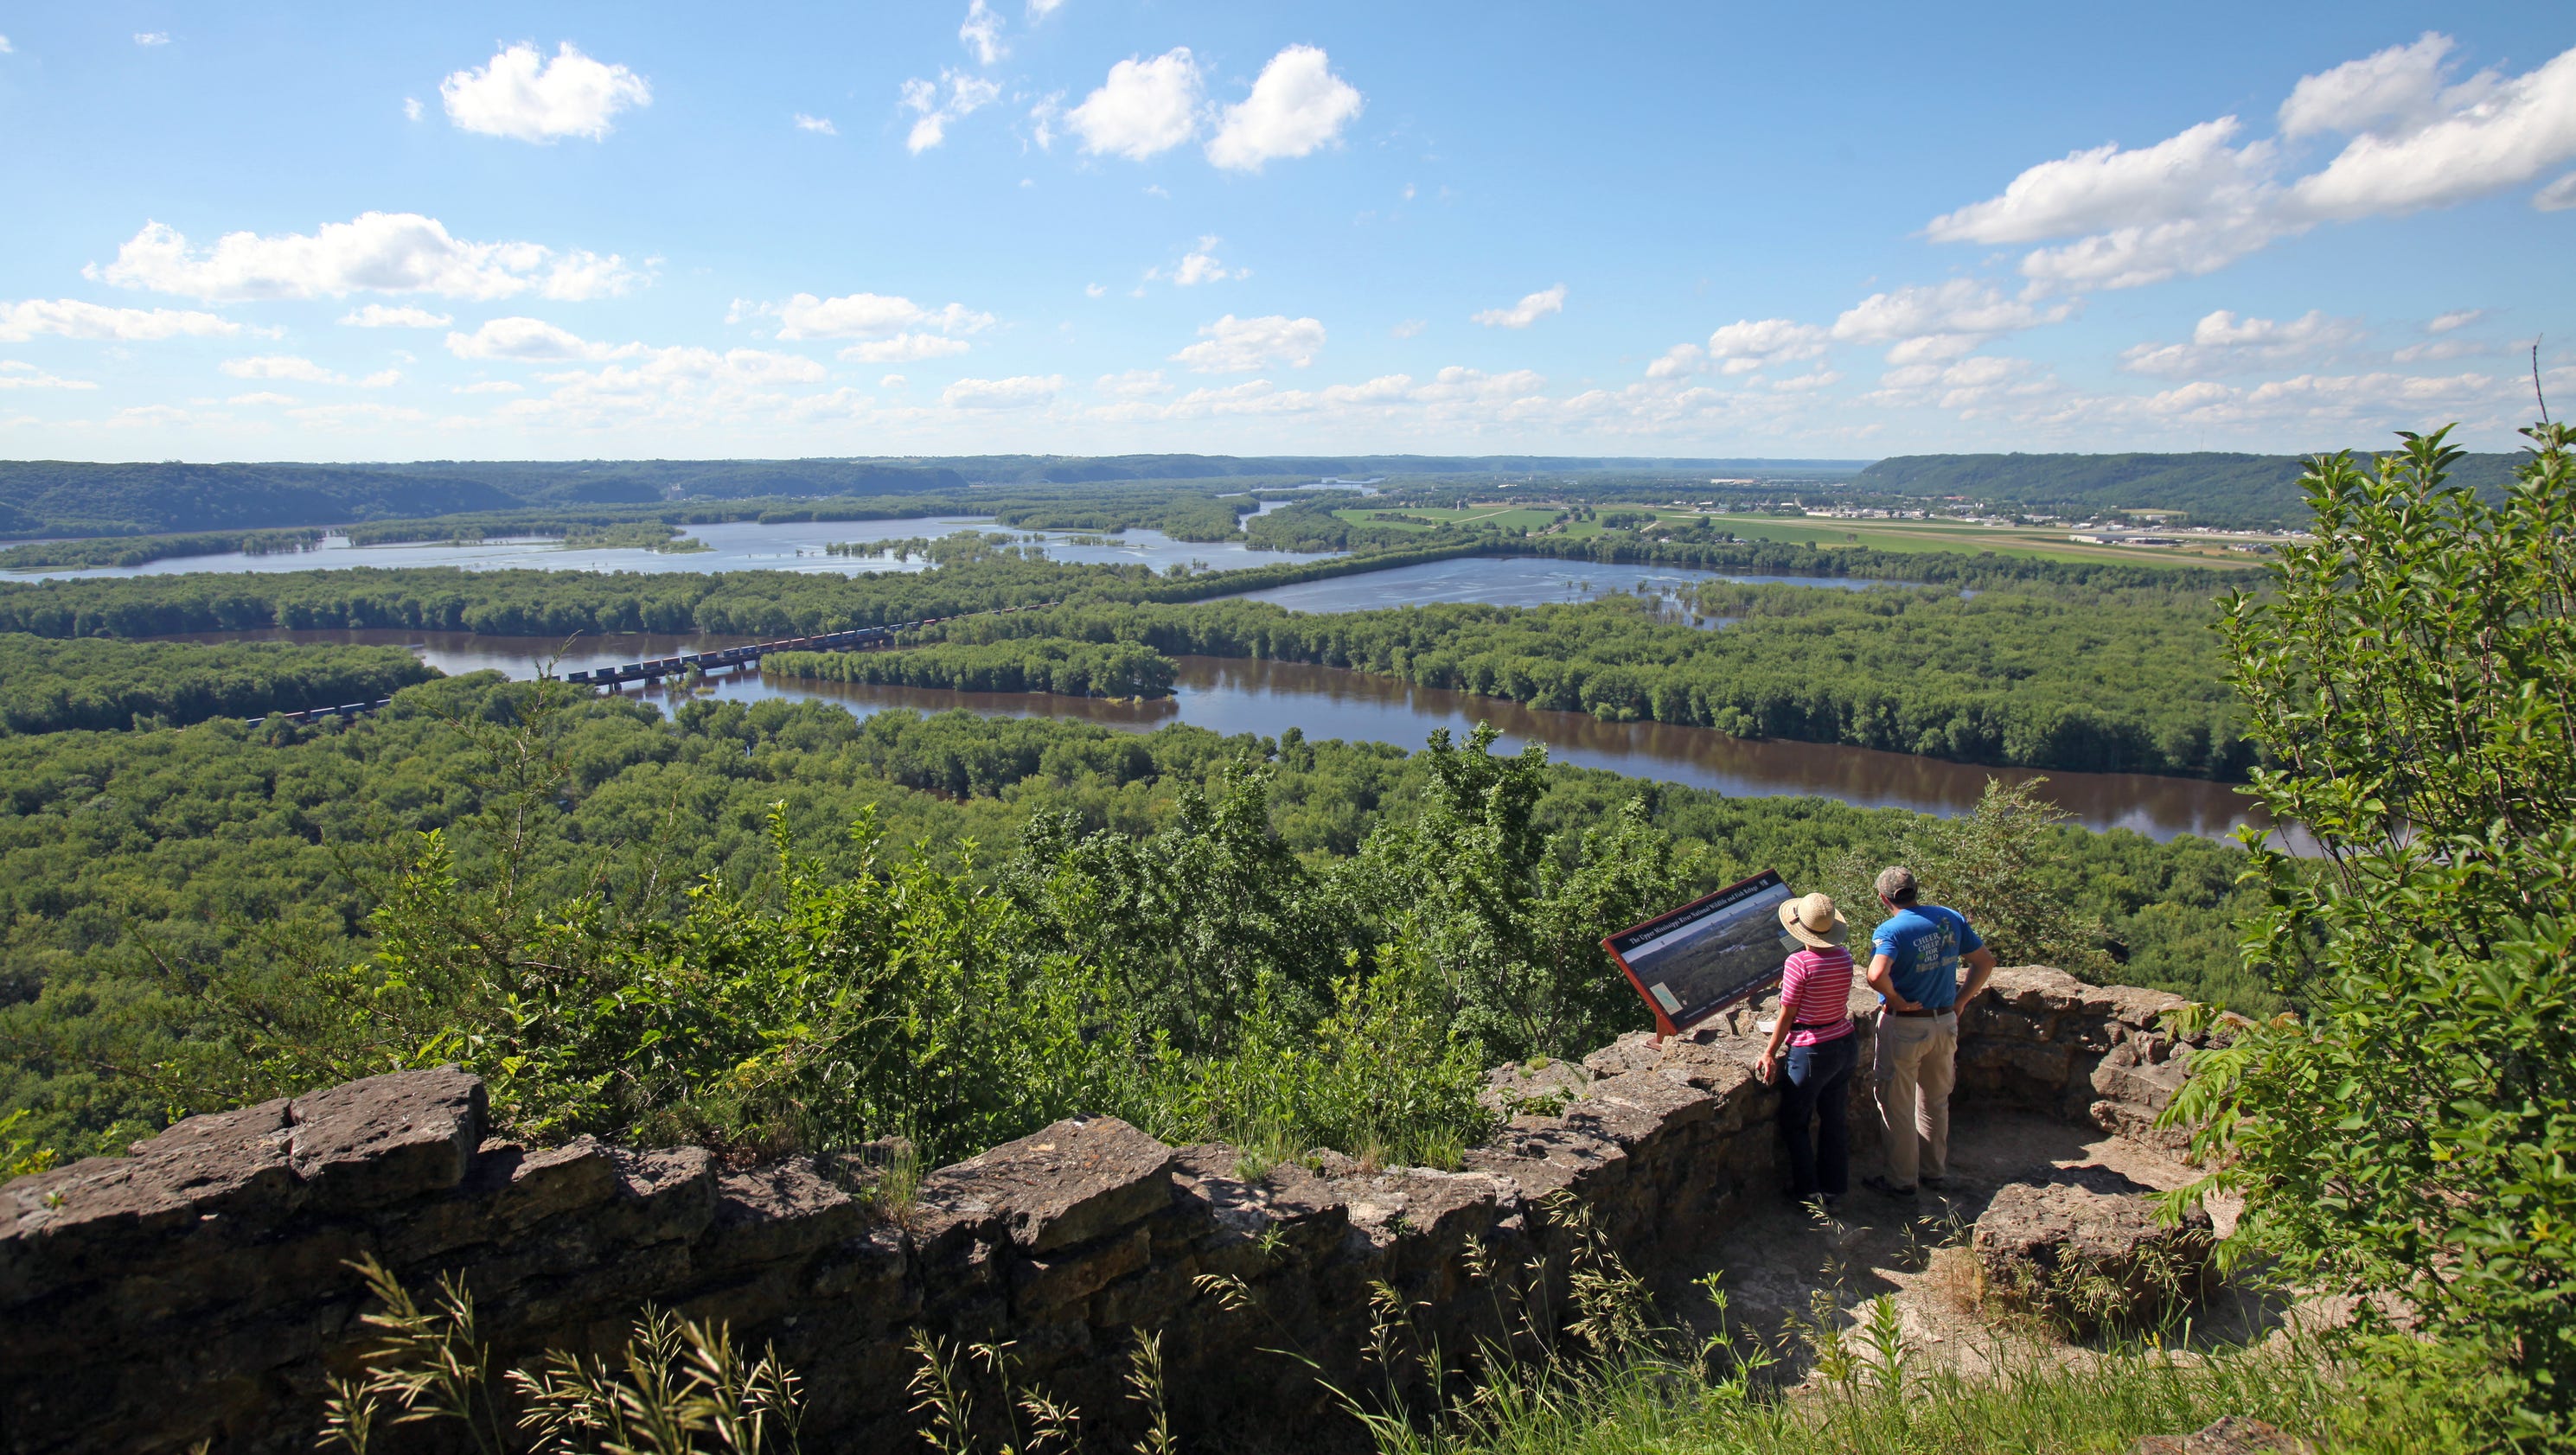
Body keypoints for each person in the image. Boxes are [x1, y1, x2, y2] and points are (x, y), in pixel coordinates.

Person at [1860, 865, 1997, 1199]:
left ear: (1882, 897)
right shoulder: (1949, 917)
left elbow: (1876, 975)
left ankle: (1902, 1180)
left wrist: (1895, 1000)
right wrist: (1961, 1001)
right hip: (1944, 1021)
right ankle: (1934, 1171)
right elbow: (1985, 962)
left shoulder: (1892, 929)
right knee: (1935, 1100)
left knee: (1897, 1104)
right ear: (1915, 891)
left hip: (1906, 1025)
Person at [1756, 891, 1858, 1209]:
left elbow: (1787, 1014)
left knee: (1796, 1122)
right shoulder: (1844, 956)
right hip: (1844, 1041)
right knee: (1833, 1119)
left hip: (1812, 1050)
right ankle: (1834, 1188)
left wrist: (1769, 1052)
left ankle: (1808, 1192)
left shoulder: (1798, 962)